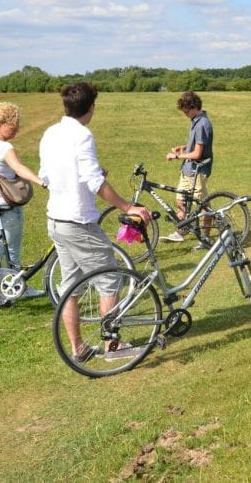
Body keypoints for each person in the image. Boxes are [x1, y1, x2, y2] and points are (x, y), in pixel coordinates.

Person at [39, 82, 152, 362]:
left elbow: (46, 176)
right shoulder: (83, 136)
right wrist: (128, 206)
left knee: (71, 287)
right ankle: (112, 347)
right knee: (110, 279)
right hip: (79, 222)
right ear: (91, 107)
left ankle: (79, 348)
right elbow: (94, 182)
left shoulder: (50, 133)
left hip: (55, 219)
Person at [0, 101, 47, 307]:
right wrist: (41, 181)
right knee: (11, 249)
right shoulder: (5, 147)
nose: (17, 128)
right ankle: (12, 288)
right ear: (0, 123)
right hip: (6, 206)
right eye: (13, 124)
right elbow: (19, 168)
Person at [162, 91, 213, 243]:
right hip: (188, 170)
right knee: (180, 200)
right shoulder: (196, 121)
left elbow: (198, 153)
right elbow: (198, 144)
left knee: (203, 206)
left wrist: (176, 156)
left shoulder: (202, 124)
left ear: (194, 107)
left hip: (197, 170)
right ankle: (181, 231)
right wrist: (183, 147)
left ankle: (205, 238)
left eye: (186, 111)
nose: (184, 114)